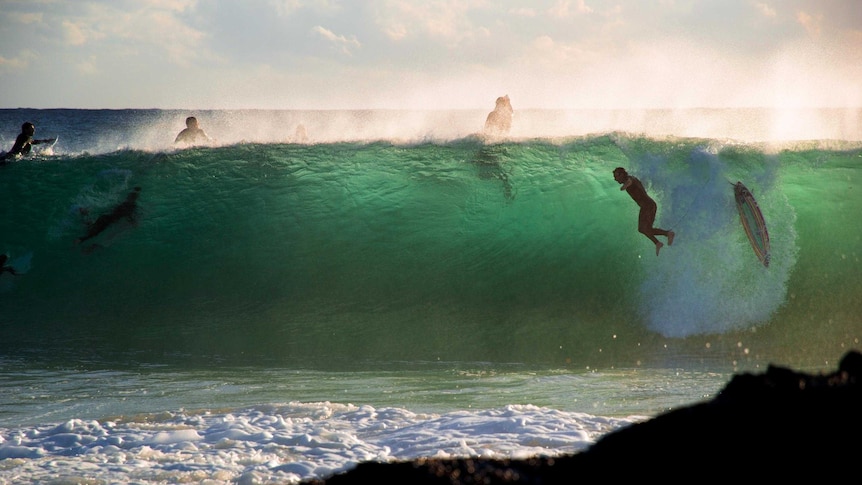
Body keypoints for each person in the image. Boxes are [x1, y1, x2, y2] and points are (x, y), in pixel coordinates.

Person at [613, 167, 675, 256]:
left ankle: (668, 234)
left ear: (622, 174)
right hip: (647, 206)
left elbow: (630, 182)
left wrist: (624, 186)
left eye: (616, 176)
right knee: (643, 229)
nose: (615, 179)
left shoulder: (630, 180)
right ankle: (658, 242)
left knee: (643, 229)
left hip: (648, 206)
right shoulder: (631, 178)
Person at [76, 187, 141, 244]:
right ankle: (79, 239)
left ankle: (85, 213)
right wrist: (133, 221)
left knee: (92, 228)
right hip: (107, 220)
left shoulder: (124, 203)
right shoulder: (132, 206)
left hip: (105, 216)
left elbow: (117, 209)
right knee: (92, 234)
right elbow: (128, 215)